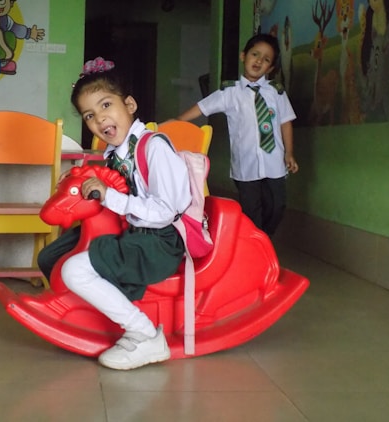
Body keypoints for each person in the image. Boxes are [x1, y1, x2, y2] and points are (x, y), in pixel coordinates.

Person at [37, 57, 191, 370]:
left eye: (106, 105)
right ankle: (88, 312)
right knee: (50, 258)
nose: (99, 119)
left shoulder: (153, 147)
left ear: (130, 104)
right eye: (89, 115)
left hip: (159, 240)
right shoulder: (113, 154)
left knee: (73, 270)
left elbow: (164, 212)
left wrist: (112, 198)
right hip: (132, 230)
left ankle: (145, 334)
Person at [175, 33, 298, 237]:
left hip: (274, 163)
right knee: (251, 212)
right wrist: (174, 123)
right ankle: (256, 247)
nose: (259, 60)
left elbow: (286, 122)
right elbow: (201, 108)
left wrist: (289, 153)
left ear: (271, 68)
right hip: (246, 165)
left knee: (277, 206)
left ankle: (261, 240)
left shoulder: (277, 93)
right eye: (255, 54)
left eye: (266, 59)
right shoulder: (230, 93)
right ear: (244, 56)